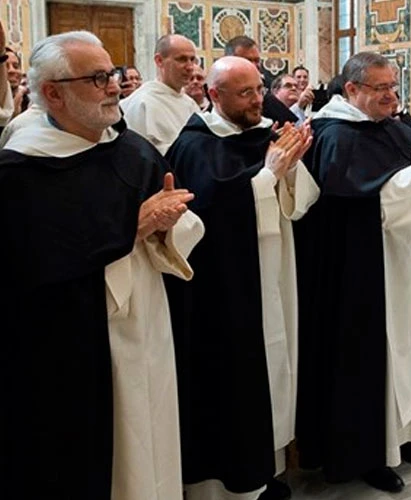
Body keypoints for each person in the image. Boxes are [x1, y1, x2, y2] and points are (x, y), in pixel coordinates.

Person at [0, 30, 202, 500]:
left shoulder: (130, 149)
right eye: (96, 78)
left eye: (111, 73)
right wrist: (131, 228)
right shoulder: (21, 171)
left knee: (150, 431)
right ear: (53, 93)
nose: (114, 86)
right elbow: (31, 263)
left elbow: (177, 217)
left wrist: (170, 223)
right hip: (76, 342)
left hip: (147, 320)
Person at [294, 51, 411, 493]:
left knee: (409, 347)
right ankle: (367, 452)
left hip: (402, 260)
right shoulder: (335, 134)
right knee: (370, 359)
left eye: (393, 86)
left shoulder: (392, 128)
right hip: (359, 271)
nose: (391, 96)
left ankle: (405, 436)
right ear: (352, 90)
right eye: (381, 88)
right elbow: (360, 204)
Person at [164, 56, 315, 500]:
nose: (257, 100)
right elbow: (207, 208)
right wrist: (269, 173)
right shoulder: (194, 143)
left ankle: (264, 469)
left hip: (274, 269)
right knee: (232, 377)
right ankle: (226, 486)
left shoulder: (263, 132)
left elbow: (300, 199)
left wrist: (288, 172)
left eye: (259, 90)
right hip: (224, 287)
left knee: (274, 365)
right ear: (214, 95)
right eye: (245, 93)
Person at [121, 34, 199, 154]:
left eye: (192, 59)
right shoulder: (143, 102)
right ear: (159, 60)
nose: (190, 67)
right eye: (182, 59)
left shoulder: (190, 104)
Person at [225, 36, 298, 125]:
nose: (254, 65)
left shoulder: (267, 96)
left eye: (257, 60)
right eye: (248, 60)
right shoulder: (221, 95)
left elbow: (290, 124)